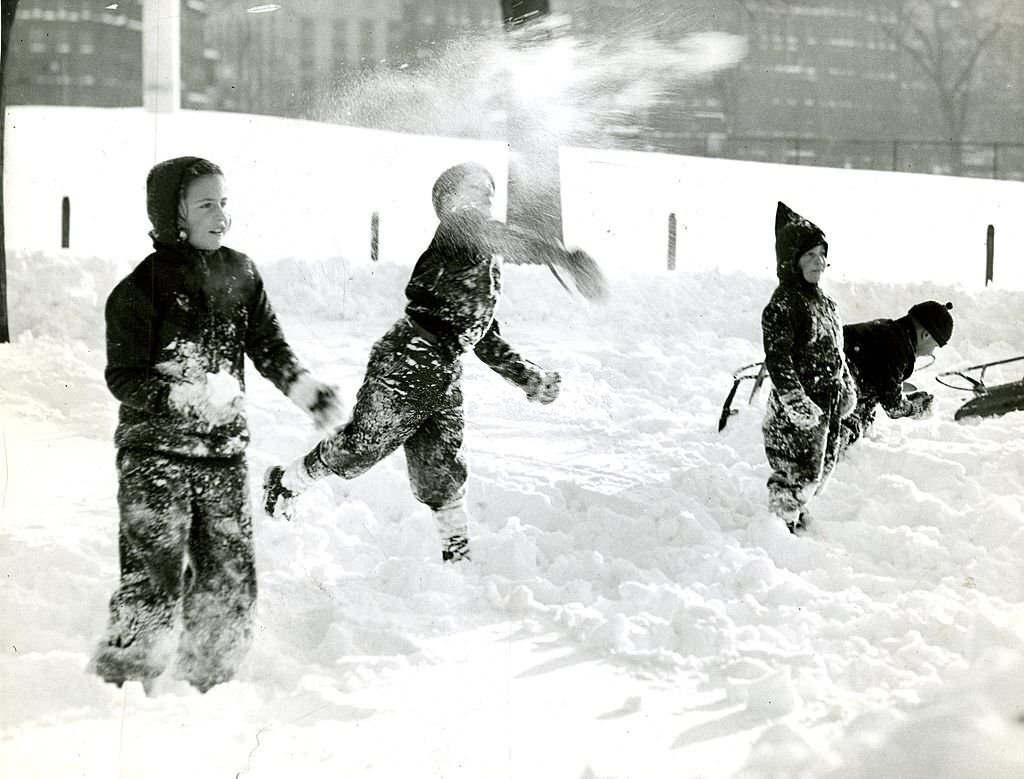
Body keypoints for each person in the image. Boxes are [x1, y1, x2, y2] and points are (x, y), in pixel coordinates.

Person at [262, 161, 606, 562]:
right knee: (360, 449)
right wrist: (559, 254)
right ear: (447, 203)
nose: (484, 196)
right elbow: (497, 234)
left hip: (444, 370)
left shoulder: (484, 262)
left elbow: (483, 336)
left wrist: (528, 377)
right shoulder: (458, 231)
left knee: (442, 468)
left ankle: (456, 555)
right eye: (472, 188)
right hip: (407, 360)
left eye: (488, 191)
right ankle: (285, 483)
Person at [91, 156, 343, 692]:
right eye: (206, 204)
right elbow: (123, 377)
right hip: (154, 459)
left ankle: (211, 679)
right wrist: (181, 397)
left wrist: (304, 389)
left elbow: (268, 345)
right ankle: (125, 683)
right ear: (173, 214)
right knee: (152, 575)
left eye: (224, 202)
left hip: (223, 455)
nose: (221, 215)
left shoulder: (242, 273)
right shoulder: (139, 289)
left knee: (229, 573)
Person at [761, 201, 857, 534]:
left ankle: (797, 511)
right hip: (797, 407)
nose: (818, 262)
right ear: (792, 261)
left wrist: (845, 386)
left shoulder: (826, 303)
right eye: (809, 255)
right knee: (794, 467)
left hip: (827, 402)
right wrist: (793, 397)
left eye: (821, 254)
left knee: (819, 468)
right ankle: (780, 523)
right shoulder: (784, 303)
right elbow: (778, 356)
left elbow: (837, 350)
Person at [840, 301, 954, 450]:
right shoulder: (897, 348)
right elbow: (893, 406)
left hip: (833, 381)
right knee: (847, 437)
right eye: (935, 346)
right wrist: (916, 408)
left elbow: (877, 386)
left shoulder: (887, 329)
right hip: (827, 390)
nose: (931, 353)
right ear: (926, 335)